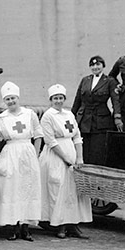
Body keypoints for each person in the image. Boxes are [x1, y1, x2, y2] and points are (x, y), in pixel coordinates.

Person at [0, 81, 43, 241]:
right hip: (10, 153)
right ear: (5, 101)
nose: (11, 102)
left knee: (27, 188)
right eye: (7, 99)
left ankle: (25, 228)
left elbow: (38, 135)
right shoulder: (1, 118)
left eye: (13, 98)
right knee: (11, 189)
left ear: (18, 98)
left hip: (27, 153)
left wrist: (36, 155)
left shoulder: (29, 114)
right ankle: (11, 227)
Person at [39, 84, 92, 239]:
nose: (58, 101)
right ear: (51, 100)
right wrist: (66, 159)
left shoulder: (69, 114)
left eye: (61, 98)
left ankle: (73, 225)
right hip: (56, 156)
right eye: (55, 98)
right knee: (59, 189)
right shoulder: (48, 116)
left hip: (72, 153)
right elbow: (50, 141)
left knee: (74, 191)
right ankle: (59, 225)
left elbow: (77, 136)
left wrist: (79, 157)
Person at [71, 55, 123, 165]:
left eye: (98, 64)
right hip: (84, 119)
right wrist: (71, 116)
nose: (95, 67)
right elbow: (78, 100)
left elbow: (115, 100)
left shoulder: (109, 81)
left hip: (101, 121)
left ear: (103, 66)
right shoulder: (85, 80)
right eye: (93, 65)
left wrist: (117, 117)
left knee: (97, 151)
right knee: (83, 148)